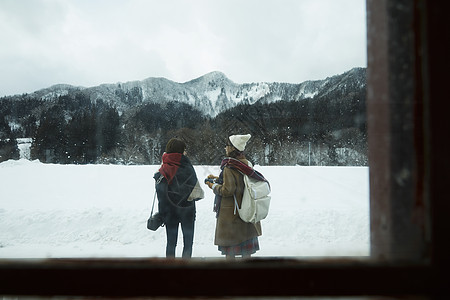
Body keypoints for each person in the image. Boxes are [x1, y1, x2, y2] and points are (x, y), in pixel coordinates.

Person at [205, 134, 262, 259]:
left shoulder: (229, 167)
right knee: (246, 253)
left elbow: (228, 190)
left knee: (230, 254)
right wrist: (217, 179)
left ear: (232, 148)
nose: (225, 148)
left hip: (232, 215)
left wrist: (213, 186)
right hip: (246, 210)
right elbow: (240, 181)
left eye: (227, 145)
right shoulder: (247, 164)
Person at [154, 138, 204, 258]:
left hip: (169, 212)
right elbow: (195, 191)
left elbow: (160, 195)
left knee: (171, 243)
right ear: (181, 151)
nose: (186, 152)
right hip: (187, 211)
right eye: (184, 149)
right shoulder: (187, 166)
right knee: (188, 244)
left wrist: (162, 213)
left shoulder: (163, 169)